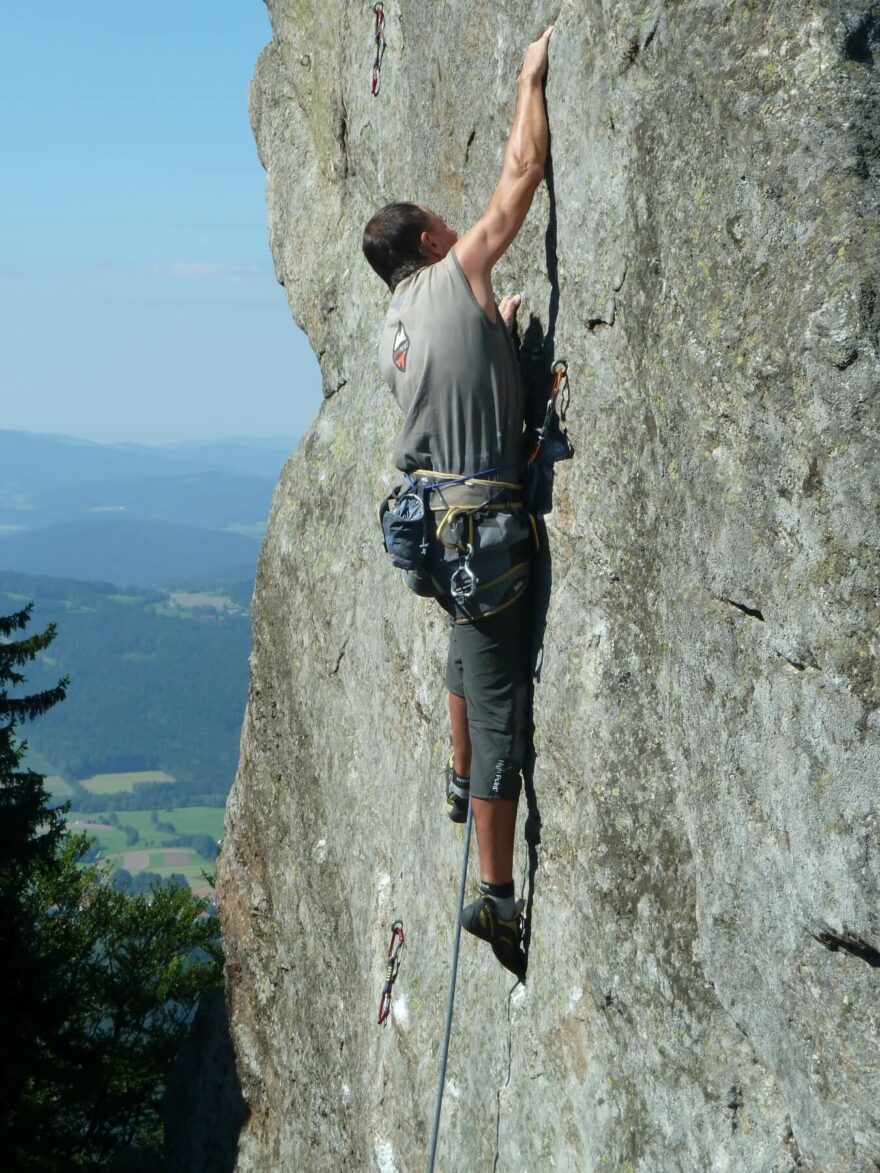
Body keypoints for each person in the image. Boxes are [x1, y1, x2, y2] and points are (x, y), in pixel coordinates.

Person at [363, 27, 553, 978]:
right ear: (433, 242)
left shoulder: (395, 325)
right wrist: (530, 77)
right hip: (486, 541)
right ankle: (495, 892)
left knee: (460, 652)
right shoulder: (457, 270)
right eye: (445, 223)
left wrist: (499, 337)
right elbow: (521, 177)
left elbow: (454, 386)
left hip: (435, 536)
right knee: (500, 704)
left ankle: (453, 769)